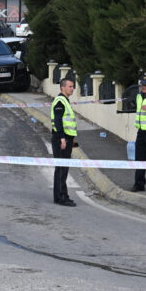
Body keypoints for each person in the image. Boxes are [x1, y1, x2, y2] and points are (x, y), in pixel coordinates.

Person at [50, 77, 78, 207]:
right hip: (61, 139)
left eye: (73, 86)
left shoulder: (65, 101)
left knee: (64, 168)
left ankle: (63, 195)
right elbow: (58, 121)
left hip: (67, 138)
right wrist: (62, 138)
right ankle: (60, 197)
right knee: (61, 168)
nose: (72, 89)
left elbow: (69, 123)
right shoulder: (60, 101)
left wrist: (72, 138)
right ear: (63, 88)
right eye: (70, 86)